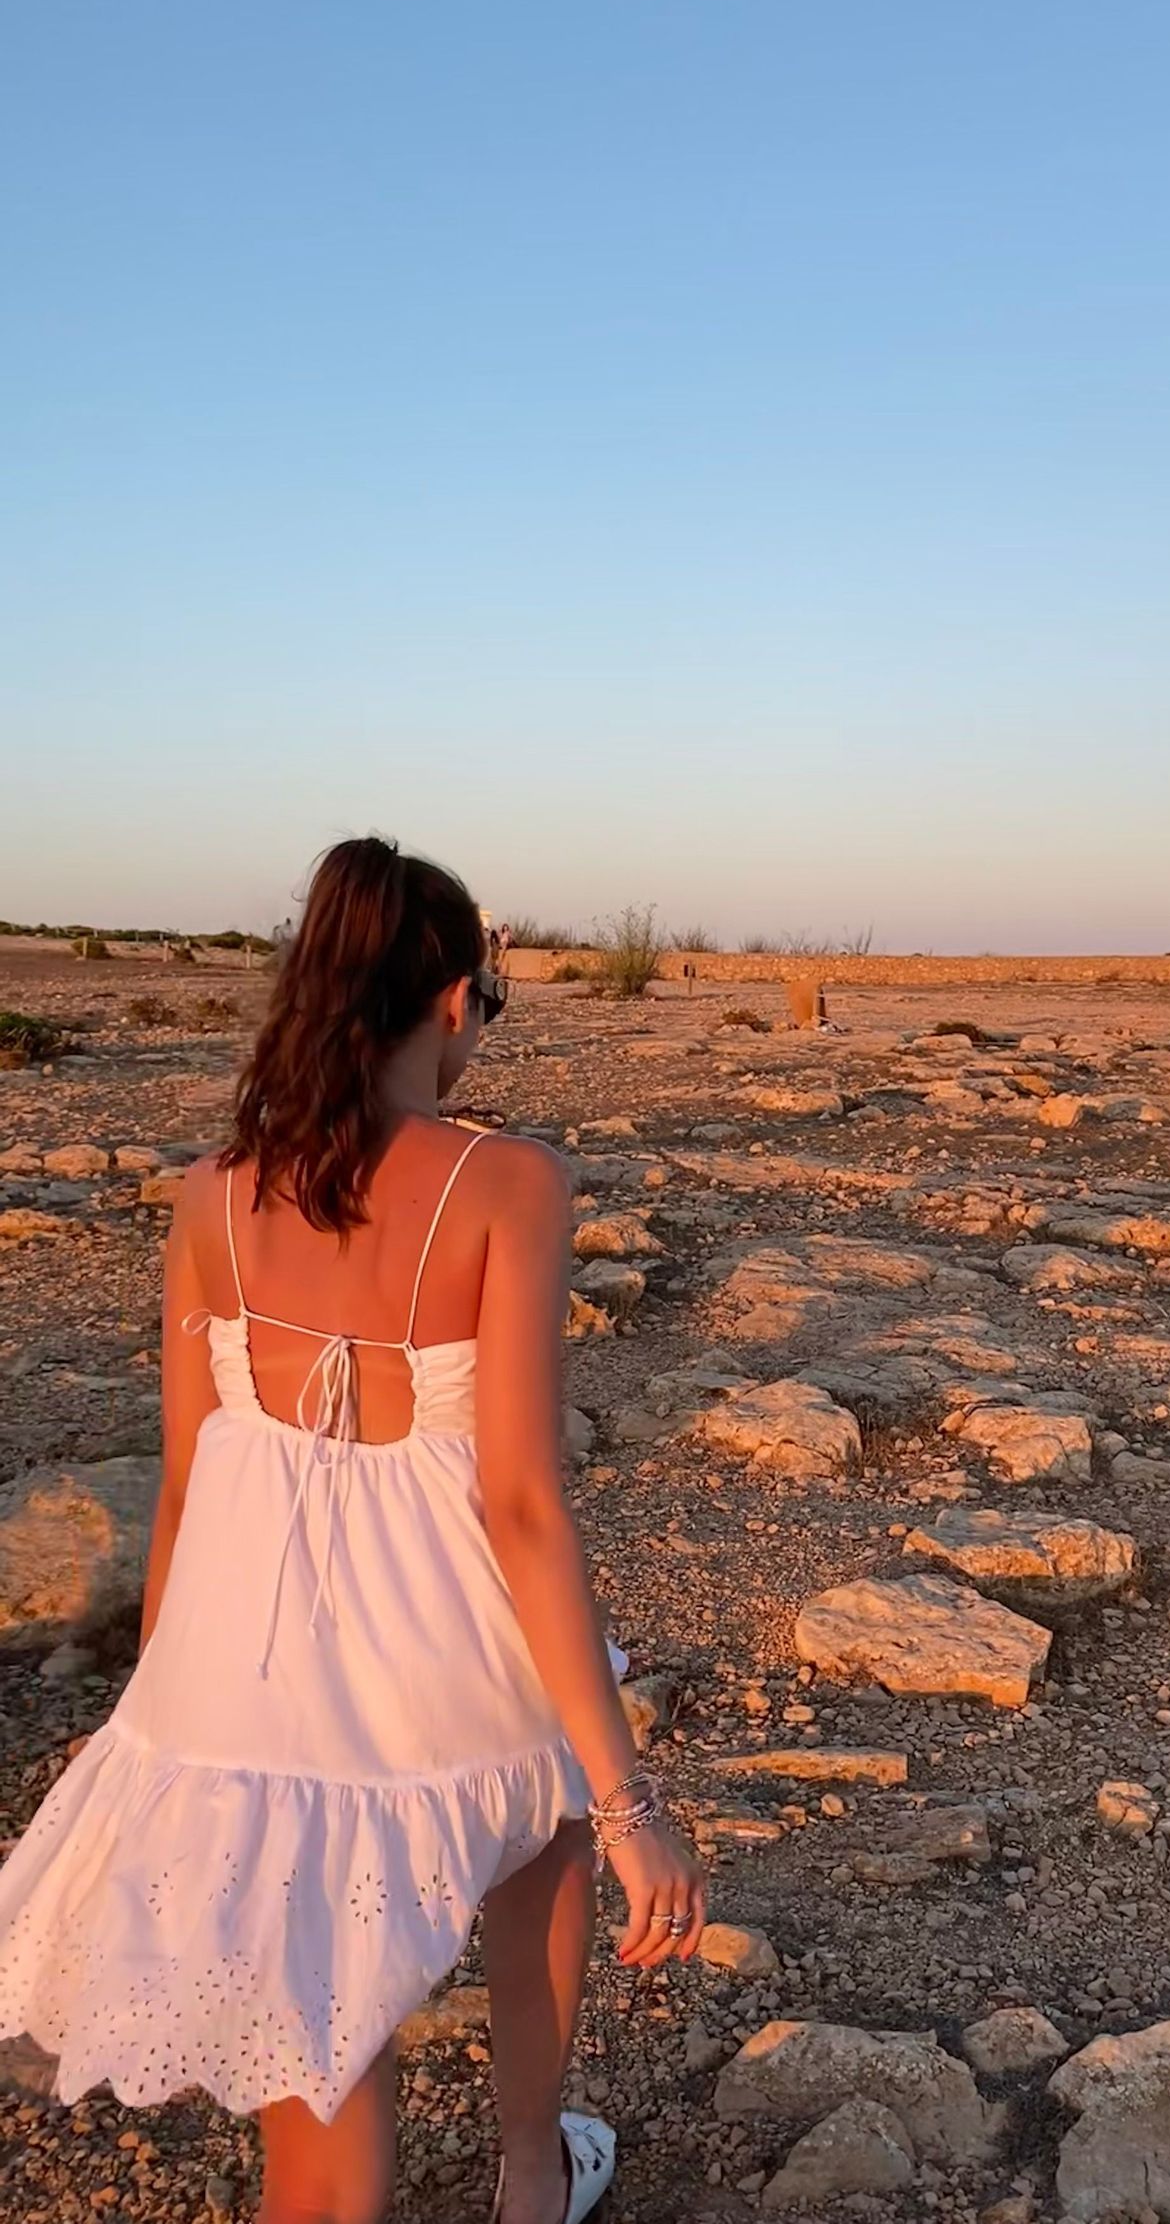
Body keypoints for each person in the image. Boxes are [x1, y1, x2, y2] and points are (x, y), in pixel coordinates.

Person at [0, 837, 705, 2224]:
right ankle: (528, 2168)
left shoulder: (211, 1193)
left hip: (245, 1659)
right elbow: (516, 1499)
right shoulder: (507, 1182)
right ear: (454, 1000)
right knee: (550, 1809)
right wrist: (638, 1809)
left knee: (315, 2094)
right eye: (487, 1008)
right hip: (445, 1638)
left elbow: (195, 1475)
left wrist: (166, 1699)